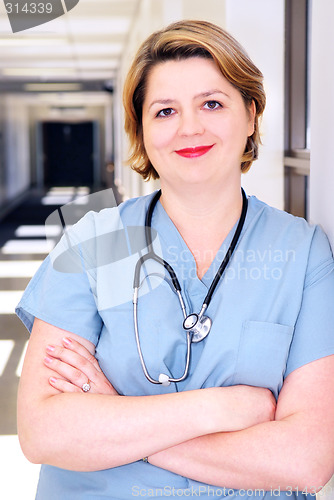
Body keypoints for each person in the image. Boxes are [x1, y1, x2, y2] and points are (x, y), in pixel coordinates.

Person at [16, 20, 334, 500]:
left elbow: (307, 460)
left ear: (250, 116)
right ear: (141, 131)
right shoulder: (90, 242)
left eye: (212, 103)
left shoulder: (303, 251)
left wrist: (120, 420)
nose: (189, 128)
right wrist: (222, 409)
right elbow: (44, 432)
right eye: (164, 111)